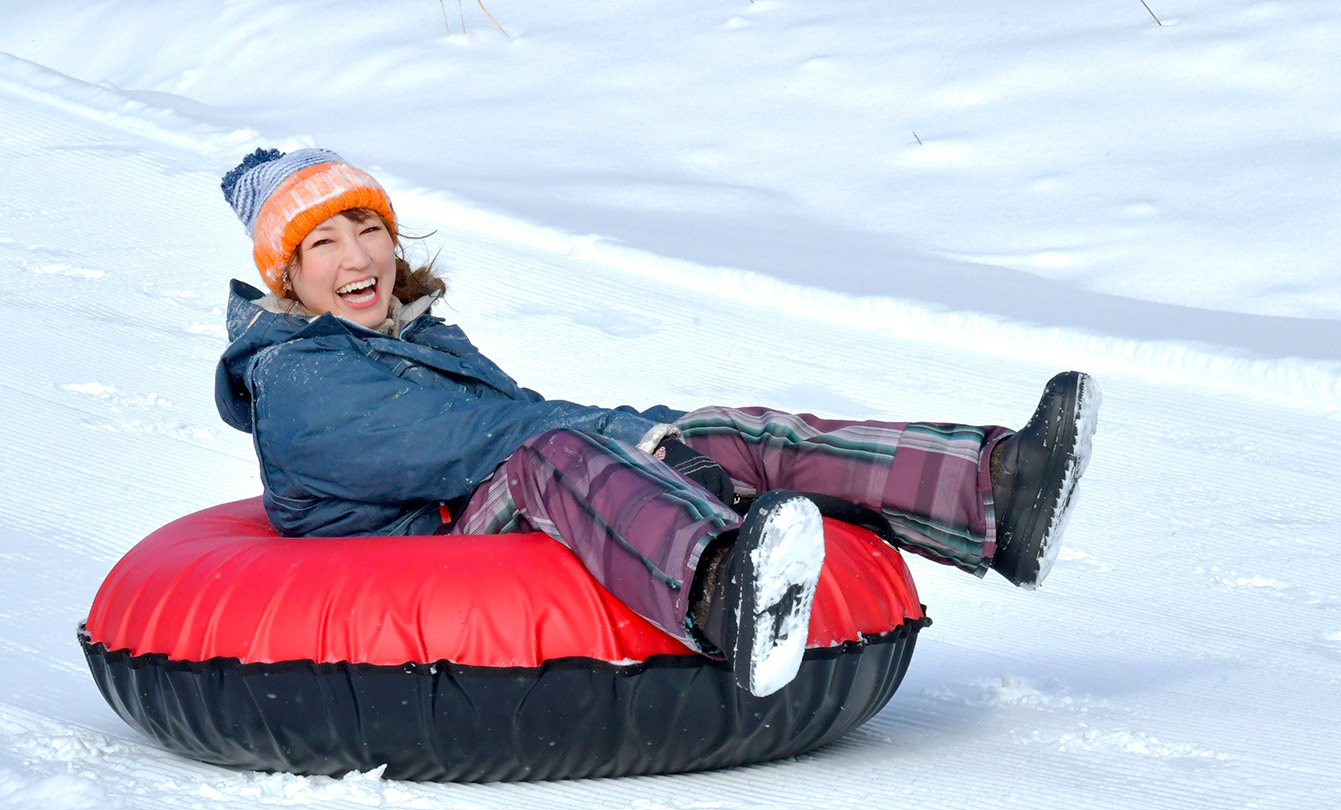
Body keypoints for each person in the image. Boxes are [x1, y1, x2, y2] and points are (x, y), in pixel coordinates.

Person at [215, 148, 1100, 698]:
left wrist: (673, 439)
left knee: (714, 432)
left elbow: (515, 422)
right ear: (286, 277)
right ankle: (723, 591)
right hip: (416, 554)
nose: (359, 257)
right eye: (322, 244)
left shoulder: (422, 336)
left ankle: (989, 493)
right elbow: (489, 441)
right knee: (553, 454)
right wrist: (643, 441)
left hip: (478, 506)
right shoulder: (301, 378)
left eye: (367, 227)